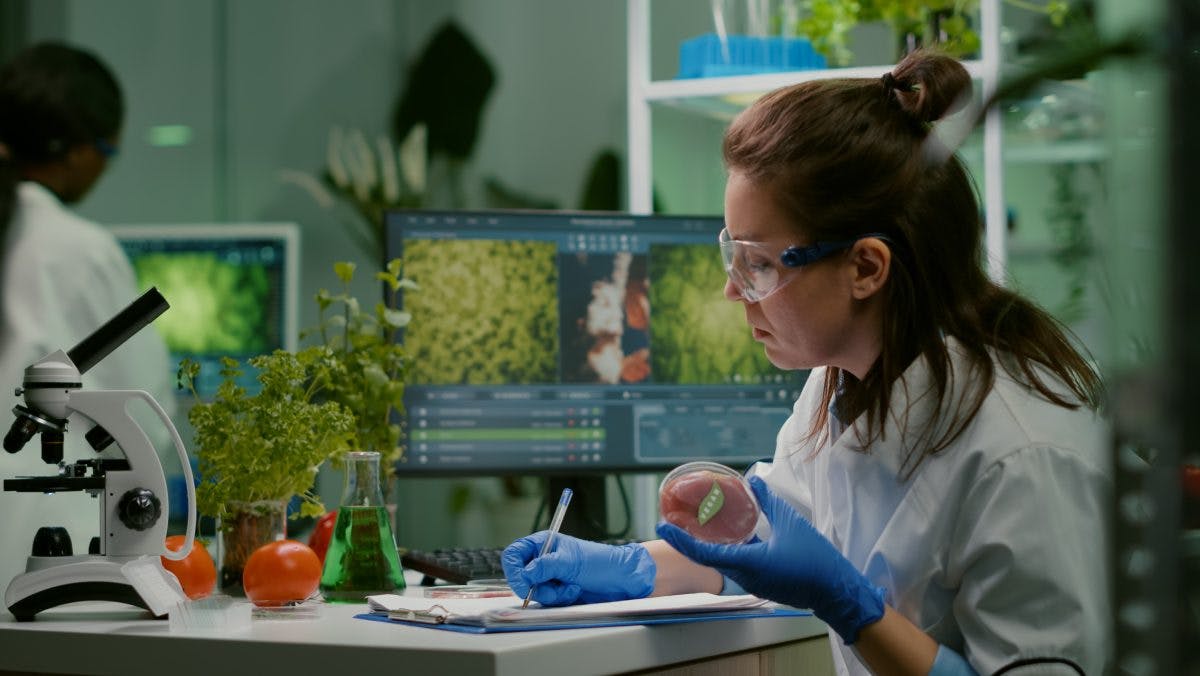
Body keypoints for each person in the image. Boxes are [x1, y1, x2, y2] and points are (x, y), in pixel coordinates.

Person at [503, 49, 1110, 675]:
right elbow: (753, 545)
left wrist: (852, 606)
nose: (734, 291)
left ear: (866, 267)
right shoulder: (843, 382)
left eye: (759, 263)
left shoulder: (1021, 451)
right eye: (732, 256)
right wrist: (620, 566)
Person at [0, 42, 176, 592]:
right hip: (46, 566)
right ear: (79, 153)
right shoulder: (74, 250)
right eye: (108, 152)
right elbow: (150, 421)